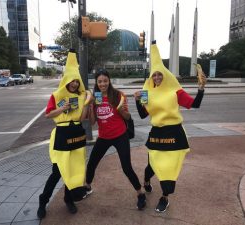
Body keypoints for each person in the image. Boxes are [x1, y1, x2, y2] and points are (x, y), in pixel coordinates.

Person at [134, 42, 206, 213]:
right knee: (152, 165)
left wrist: (201, 89)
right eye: (154, 75)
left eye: (160, 74)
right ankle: (146, 181)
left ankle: (165, 197)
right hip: (157, 133)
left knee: (170, 168)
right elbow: (144, 115)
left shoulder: (176, 92)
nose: (157, 78)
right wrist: (137, 101)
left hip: (174, 133)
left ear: (165, 75)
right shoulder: (147, 92)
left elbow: (194, 104)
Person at [37, 50, 92, 219]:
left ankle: (69, 200)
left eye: (77, 81)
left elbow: (82, 119)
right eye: (72, 81)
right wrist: (62, 108)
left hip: (76, 133)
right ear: (66, 80)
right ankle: (43, 201)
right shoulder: (57, 95)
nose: (75, 84)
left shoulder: (81, 96)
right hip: (61, 134)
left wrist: (87, 103)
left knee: (74, 168)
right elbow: (48, 114)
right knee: (57, 172)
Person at [85, 69, 147, 210]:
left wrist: (119, 108)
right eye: (100, 81)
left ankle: (140, 193)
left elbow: (127, 117)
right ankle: (87, 187)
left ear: (109, 81)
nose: (103, 84)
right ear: (96, 82)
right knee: (91, 163)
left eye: (105, 81)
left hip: (120, 136)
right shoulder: (97, 97)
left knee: (126, 167)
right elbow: (93, 122)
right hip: (104, 137)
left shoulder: (118, 95)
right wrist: (90, 107)